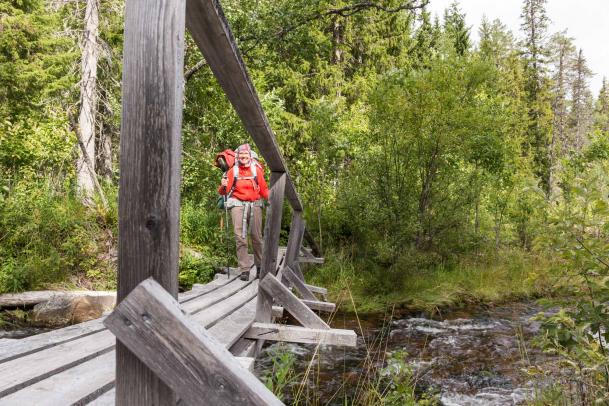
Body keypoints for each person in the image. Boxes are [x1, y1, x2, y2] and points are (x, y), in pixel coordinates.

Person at [218, 144, 269, 281]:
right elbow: (224, 191)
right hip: (237, 204)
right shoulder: (232, 171)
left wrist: (271, 199)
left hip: (255, 205)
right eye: (241, 156)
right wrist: (223, 185)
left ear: (250, 156)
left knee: (257, 237)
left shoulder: (256, 170)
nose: (243, 158)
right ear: (238, 157)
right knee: (240, 237)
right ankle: (245, 269)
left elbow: (263, 189)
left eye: (246, 156)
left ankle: (260, 267)